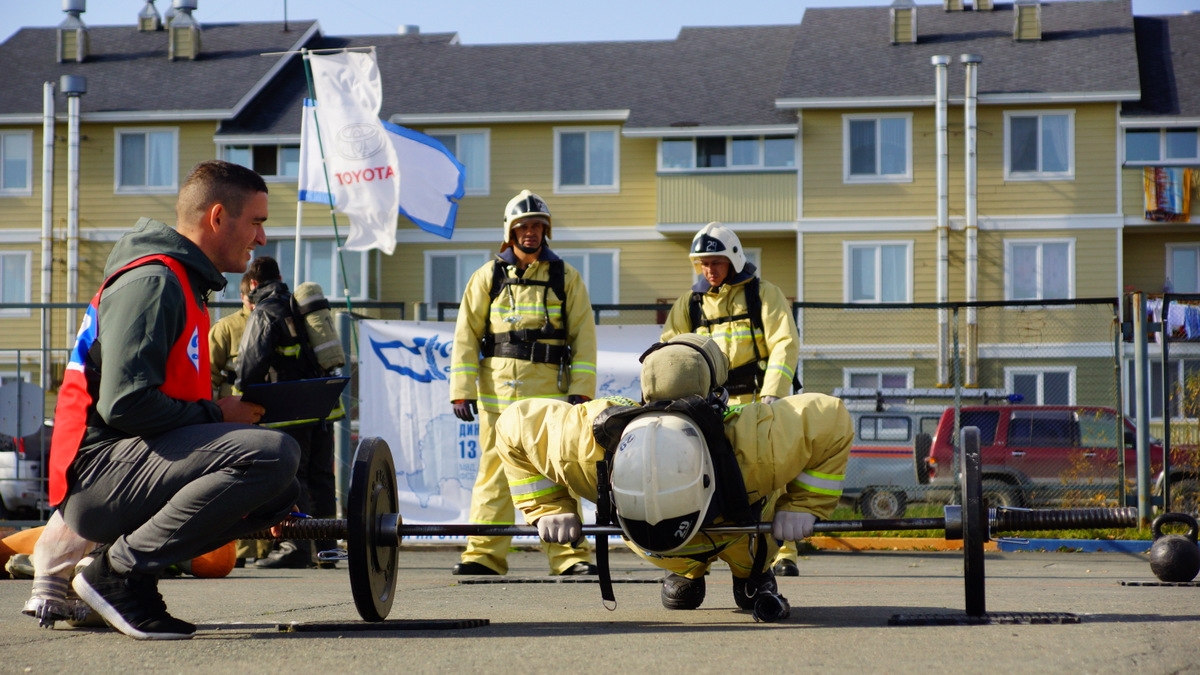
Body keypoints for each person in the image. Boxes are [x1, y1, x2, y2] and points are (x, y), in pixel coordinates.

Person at [48, 159, 301, 640]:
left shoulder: (183, 283)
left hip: (127, 468)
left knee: (281, 488)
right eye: (257, 222)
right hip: (98, 475)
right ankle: (115, 575)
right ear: (218, 217)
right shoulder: (155, 281)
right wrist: (217, 413)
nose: (262, 239)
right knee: (274, 455)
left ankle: (127, 581)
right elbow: (124, 404)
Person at [494, 334, 852, 621]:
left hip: (740, 534)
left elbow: (831, 421)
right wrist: (547, 507)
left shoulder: (751, 445)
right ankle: (688, 571)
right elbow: (512, 427)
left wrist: (804, 505)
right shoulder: (591, 446)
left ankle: (750, 574)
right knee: (718, 557)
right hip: (697, 543)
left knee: (749, 559)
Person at [448, 189, 598, 576]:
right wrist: (461, 391)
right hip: (498, 397)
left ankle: (570, 557)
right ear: (510, 231)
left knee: (556, 472)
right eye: (523, 226)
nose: (530, 232)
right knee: (493, 475)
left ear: (546, 231)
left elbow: (583, 336)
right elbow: (466, 335)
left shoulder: (566, 278)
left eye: (537, 226)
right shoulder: (488, 276)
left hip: (548, 400)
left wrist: (582, 390)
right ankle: (484, 555)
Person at [660, 221, 806, 577]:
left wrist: (772, 394)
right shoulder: (690, 303)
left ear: (734, 259)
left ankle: (782, 552)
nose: (709, 270)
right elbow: (670, 350)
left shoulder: (763, 294)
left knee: (773, 478)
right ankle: (697, 557)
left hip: (758, 400)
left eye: (716, 262)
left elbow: (785, 345)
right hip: (709, 409)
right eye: (703, 263)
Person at [235, 256, 340, 570]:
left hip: (288, 410)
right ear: (279, 277)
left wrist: (243, 391)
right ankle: (326, 550)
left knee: (294, 479)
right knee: (322, 480)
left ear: (253, 284)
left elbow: (249, 367)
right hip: (322, 407)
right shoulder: (301, 307)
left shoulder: (266, 312)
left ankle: (295, 547)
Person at [208, 272, 269, 568]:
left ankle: (266, 549)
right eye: (252, 297)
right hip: (233, 420)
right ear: (244, 295)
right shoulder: (226, 328)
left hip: (268, 417)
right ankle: (242, 552)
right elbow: (207, 373)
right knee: (240, 483)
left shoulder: (275, 321)